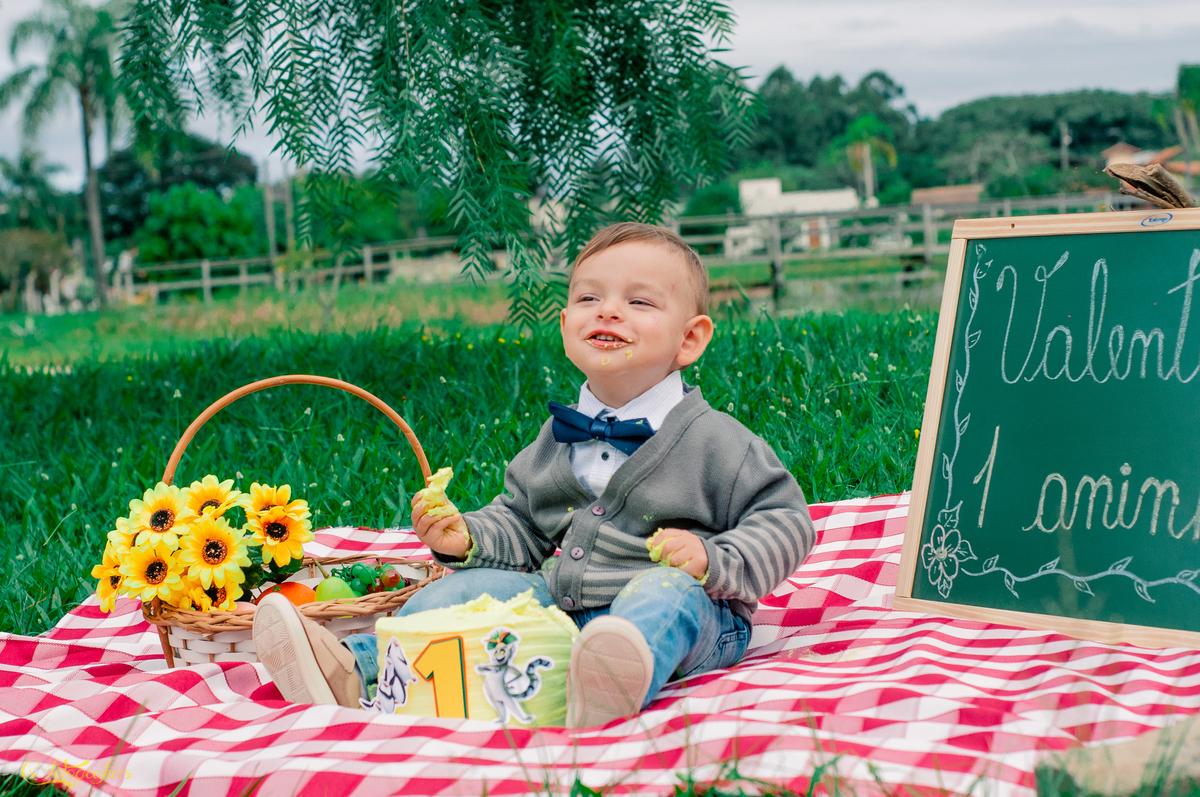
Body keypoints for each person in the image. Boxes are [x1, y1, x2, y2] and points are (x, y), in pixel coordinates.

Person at [253, 222, 815, 727]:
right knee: (458, 592)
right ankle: (356, 670)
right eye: (590, 298)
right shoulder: (555, 439)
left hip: (699, 617)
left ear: (689, 339)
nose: (608, 311)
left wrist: (714, 560)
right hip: (560, 604)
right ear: (568, 327)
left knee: (664, 592)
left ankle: (614, 679)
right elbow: (522, 522)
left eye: (638, 301)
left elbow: (787, 520)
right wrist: (469, 537)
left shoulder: (717, 441)